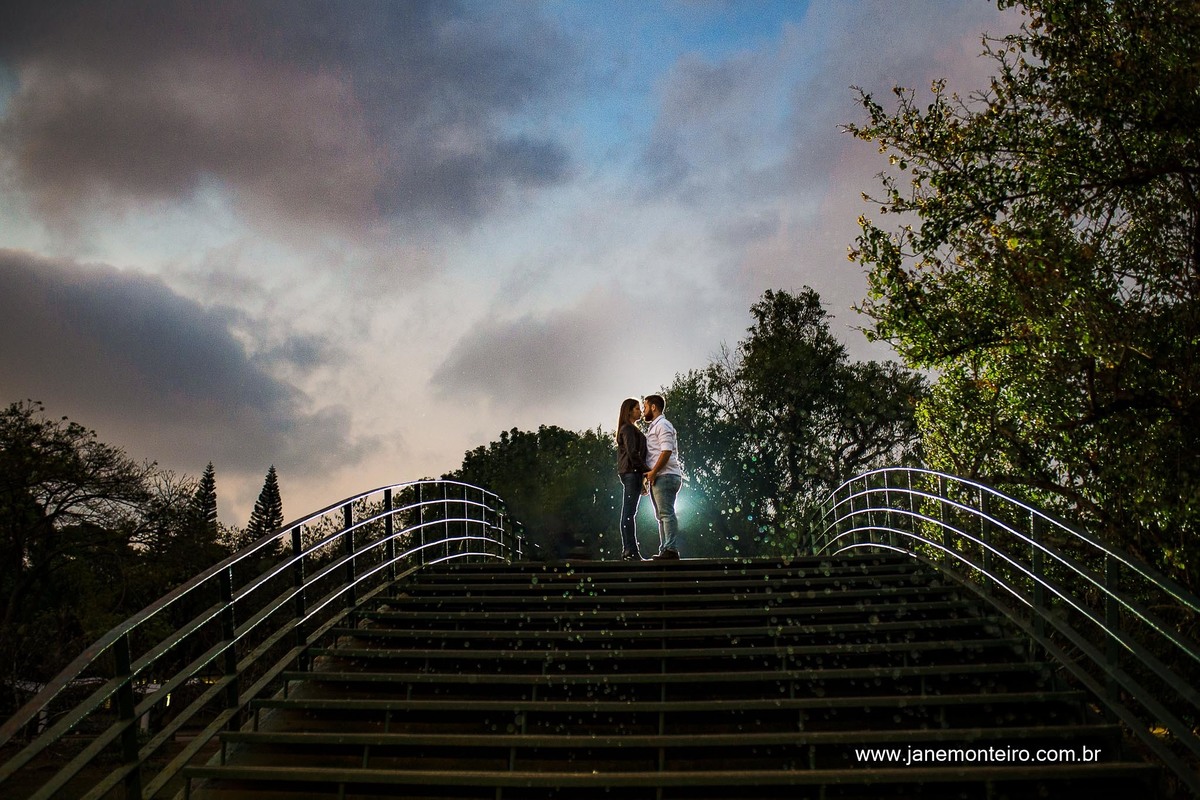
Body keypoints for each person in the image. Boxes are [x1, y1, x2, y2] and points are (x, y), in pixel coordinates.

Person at [642, 393, 683, 560]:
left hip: (665, 476)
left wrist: (653, 472)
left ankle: (671, 549)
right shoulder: (656, 426)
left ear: (653, 407)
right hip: (661, 476)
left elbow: (666, 451)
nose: (643, 411)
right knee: (661, 516)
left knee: (666, 514)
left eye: (644, 407)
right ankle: (665, 549)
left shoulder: (663, 425)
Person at [615, 397, 648, 561]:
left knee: (630, 512)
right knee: (628, 513)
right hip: (631, 472)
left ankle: (631, 550)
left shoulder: (632, 429)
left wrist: (642, 478)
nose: (640, 411)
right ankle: (629, 550)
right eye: (637, 408)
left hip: (633, 473)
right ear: (628, 411)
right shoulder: (627, 429)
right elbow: (632, 452)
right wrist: (647, 471)